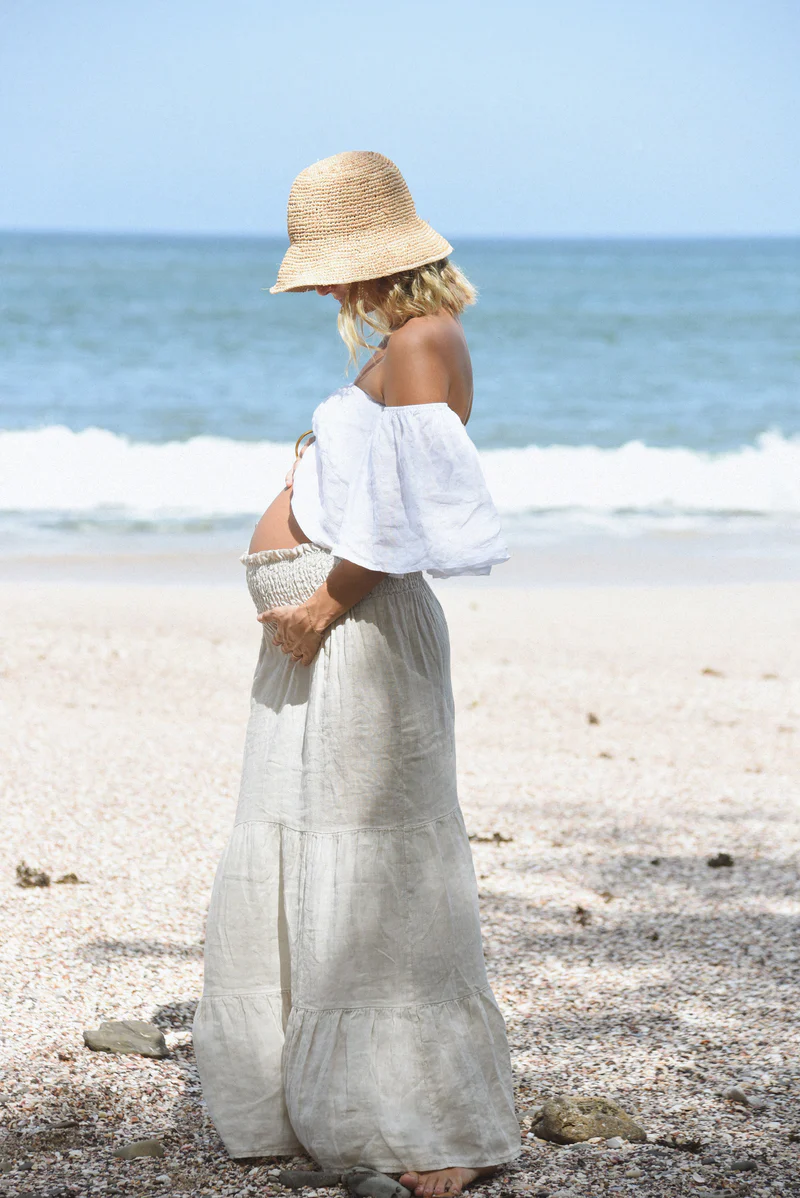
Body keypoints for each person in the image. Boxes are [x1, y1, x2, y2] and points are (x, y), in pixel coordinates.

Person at [192, 151, 521, 1198]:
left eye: (335, 267)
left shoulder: (422, 341)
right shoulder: (405, 340)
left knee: (381, 871)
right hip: (328, 627)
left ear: (379, 259)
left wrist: (326, 601)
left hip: (354, 629)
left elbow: (409, 506)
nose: (326, 287)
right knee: (325, 857)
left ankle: (430, 1133)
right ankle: (327, 1099)